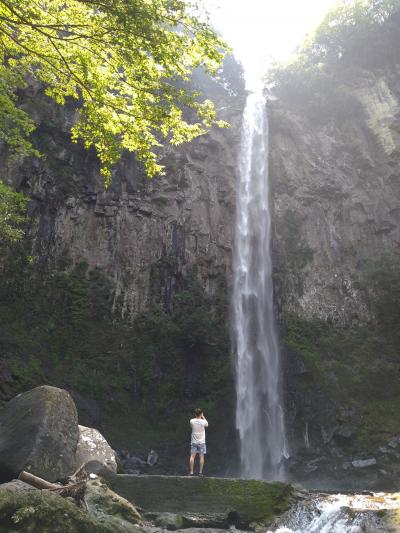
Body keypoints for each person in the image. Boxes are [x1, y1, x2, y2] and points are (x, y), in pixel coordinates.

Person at [189, 408, 208, 476]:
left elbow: (191, 426)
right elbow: (207, 425)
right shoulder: (203, 422)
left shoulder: (192, 421)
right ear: (201, 414)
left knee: (192, 456)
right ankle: (200, 472)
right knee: (201, 457)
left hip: (194, 442)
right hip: (202, 442)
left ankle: (191, 472)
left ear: (195, 414)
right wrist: (203, 416)